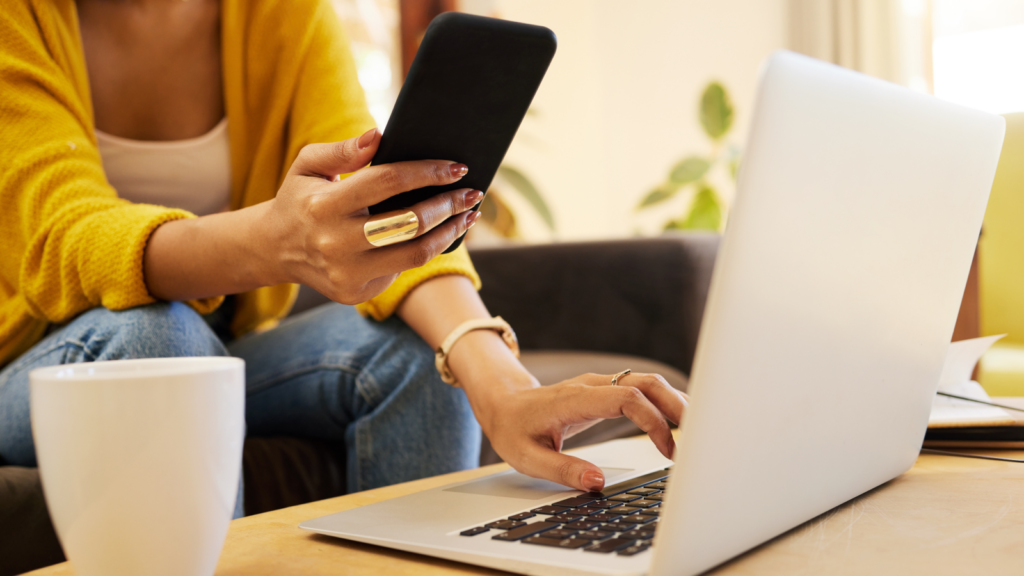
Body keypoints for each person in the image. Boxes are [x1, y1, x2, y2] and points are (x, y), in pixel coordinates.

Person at [0, 0, 687, 515]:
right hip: (32, 363)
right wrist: (274, 242)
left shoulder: (282, 12)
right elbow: (62, 236)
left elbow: (372, 209)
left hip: (217, 348)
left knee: (417, 357)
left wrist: (499, 379)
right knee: (164, 343)